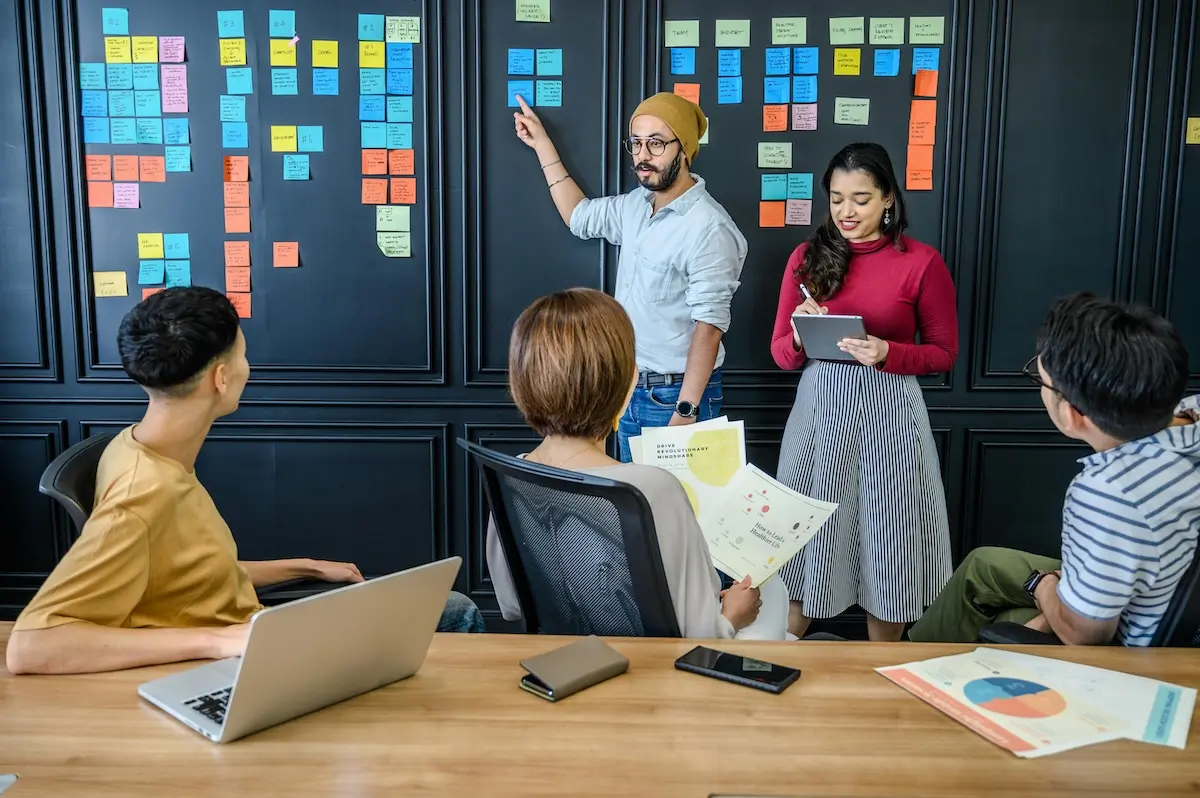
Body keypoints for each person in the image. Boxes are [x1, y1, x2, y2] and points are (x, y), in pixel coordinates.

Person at [6, 287, 484, 676]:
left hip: (249, 625)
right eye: (244, 355)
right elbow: (30, 647)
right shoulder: (142, 493)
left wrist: (307, 566)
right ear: (220, 378)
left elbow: (190, 576)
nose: (247, 368)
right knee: (457, 611)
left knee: (441, 605)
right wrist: (218, 641)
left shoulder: (142, 447)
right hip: (247, 652)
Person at [485, 287, 789, 639]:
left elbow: (511, 604)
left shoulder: (511, 474)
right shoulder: (652, 487)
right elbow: (704, 633)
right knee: (773, 593)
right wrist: (734, 613)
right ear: (630, 381)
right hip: (655, 678)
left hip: (560, 664)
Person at [909, 293, 1199, 646]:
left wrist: (1044, 586)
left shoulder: (1107, 492)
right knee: (982, 565)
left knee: (1002, 621)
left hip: (1127, 652)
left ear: (1072, 414)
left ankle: (921, 673)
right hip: (1158, 585)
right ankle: (916, 656)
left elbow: (1085, 634)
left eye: (1040, 380)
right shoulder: (1191, 415)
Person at [769, 142, 958, 642]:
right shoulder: (805, 259)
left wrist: (888, 352)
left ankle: (883, 667)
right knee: (806, 536)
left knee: (891, 543)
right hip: (819, 415)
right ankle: (784, 652)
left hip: (893, 415)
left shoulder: (922, 262)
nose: (845, 212)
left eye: (860, 199)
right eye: (835, 199)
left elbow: (943, 353)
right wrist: (795, 331)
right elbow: (783, 357)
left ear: (888, 199)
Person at [513, 91, 747, 462]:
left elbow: (709, 327)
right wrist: (542, 144)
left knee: (674, 514)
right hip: (630, 391)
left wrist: (685, 412)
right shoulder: (636, 206)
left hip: (676, 398)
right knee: (634, 513)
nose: (642, 156)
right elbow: (579, 216)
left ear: (684, 148)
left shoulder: (709, 228)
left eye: (656, 144)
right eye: (636, 143)